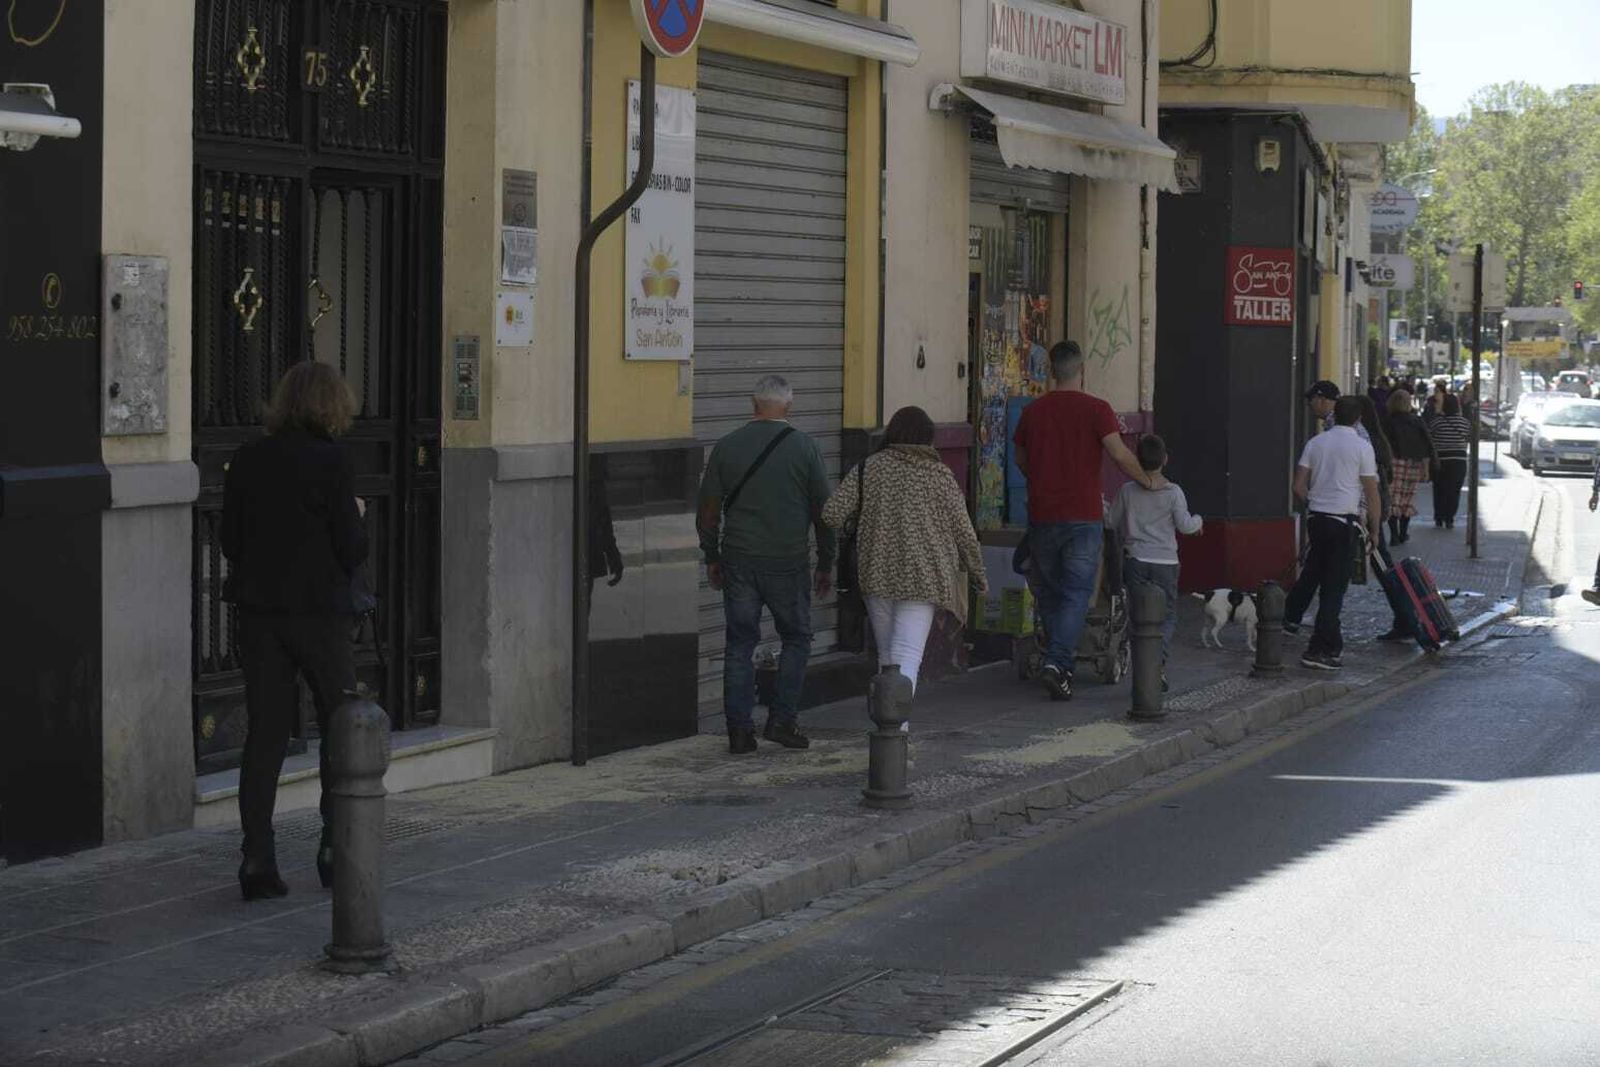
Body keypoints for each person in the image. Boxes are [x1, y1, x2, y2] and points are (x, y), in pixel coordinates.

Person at [221, 361, 367, 901]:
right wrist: (355, 514)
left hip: (261, 616)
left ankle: (256, 856)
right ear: (333, 404)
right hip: (321, 616)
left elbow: (230, 542)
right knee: (339, 725)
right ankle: (334, 845)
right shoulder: (333, 462)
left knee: (265, 734)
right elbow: (351, 549)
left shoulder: (248, 459)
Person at [697, 374, 835, 755]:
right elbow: (825, 512)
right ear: (789, 407)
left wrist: (711, 555)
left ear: (752, 404)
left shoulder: (726, 446)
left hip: (738, 559)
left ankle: (739, 732)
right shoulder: (806, 448)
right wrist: (826, 560)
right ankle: (782, 721)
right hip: (788, 561)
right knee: (796, 638)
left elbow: (708, 509)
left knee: (739, 643)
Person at [1013, 340, 1157, 701]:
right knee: (1078, 593)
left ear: (1050, 370)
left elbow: (1020, 457)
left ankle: (1055, 659)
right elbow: (1119, 454)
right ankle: (1059, 663)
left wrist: (1040, 480)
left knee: (1048, 591)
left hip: (1043, 515)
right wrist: (1148, 481)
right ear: (1082, 370)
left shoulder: (1033, 412)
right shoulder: (1097, 409)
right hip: (1082, 517)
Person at [821, 406, 986, 710]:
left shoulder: (869, 468)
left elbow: (831, 514)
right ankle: (897, 733)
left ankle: (885, 730)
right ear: (928, 438)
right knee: (907, 656)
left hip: (876, 574)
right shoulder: (939, 475)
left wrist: (861, 521)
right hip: (923, 578)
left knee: (888, 658)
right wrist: (978, 575)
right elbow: (965, 533)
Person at [1283, 396, 1383, 671]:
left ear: (1334, 415)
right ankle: (1319, 649)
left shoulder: (1316, 443)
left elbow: (1298, 486)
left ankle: (1329, 643)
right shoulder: (1362, 447)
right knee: (1334, 588)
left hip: (1317, 520)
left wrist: (1315, 503)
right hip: (1343, 522)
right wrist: (1375, 530)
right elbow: (1372, 493)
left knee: (1315, 572)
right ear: (1358, 418)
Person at [1106, 434, 1202, 685]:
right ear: (1165, 460)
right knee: (1166, 616)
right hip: (1166, 563)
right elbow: (1185, 526)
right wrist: (1199, 521)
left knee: (1138, 615)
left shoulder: (1127, 490)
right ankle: (1156, 664)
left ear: (1137, 459)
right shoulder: (1174, 493)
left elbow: (1111, 522)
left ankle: (1142, 664)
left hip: (1135, 559)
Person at [1384, 389, 1436, 545]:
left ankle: (1393, 535)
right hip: (1414, 464)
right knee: (1408, 499)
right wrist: (1426, 469)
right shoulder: (1417, 421)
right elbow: (1426, 445)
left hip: (1394, 463)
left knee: (1393, 500)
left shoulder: (1386, 421)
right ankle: (1403, 533)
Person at [1428, 394, 1472, 530]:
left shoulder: (1436, 422)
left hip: (1440, 461)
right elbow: (1469, 438)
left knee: (1439, 489)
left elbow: (1430, 439)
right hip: (1458, 461)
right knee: (1454, 490)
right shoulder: (1465, 423)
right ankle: (1450, 518)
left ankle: (1439, 517)